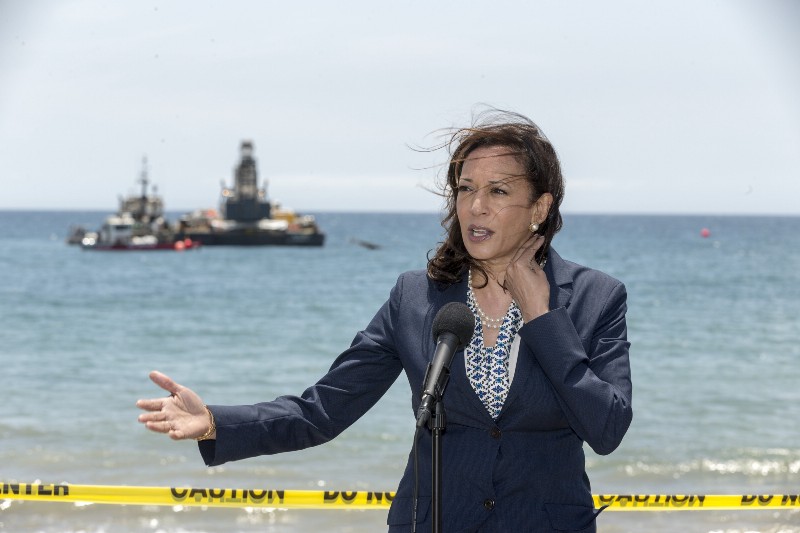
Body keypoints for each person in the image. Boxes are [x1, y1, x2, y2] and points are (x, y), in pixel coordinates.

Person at [137, 109, 633, 532]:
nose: (475, 206)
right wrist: (214, 424)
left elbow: (607, 428)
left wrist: (542, 317)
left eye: (498, 191)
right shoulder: (415, 297)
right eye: (465, 188)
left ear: (540, 208)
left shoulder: (596, 298)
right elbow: (323, 410)